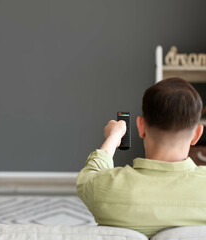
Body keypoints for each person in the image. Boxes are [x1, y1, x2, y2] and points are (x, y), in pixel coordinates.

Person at [77, 77, 206, 238]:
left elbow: (87, 177)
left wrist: (114, 136)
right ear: (197, 135)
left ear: (140, 127)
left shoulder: (106, 188)